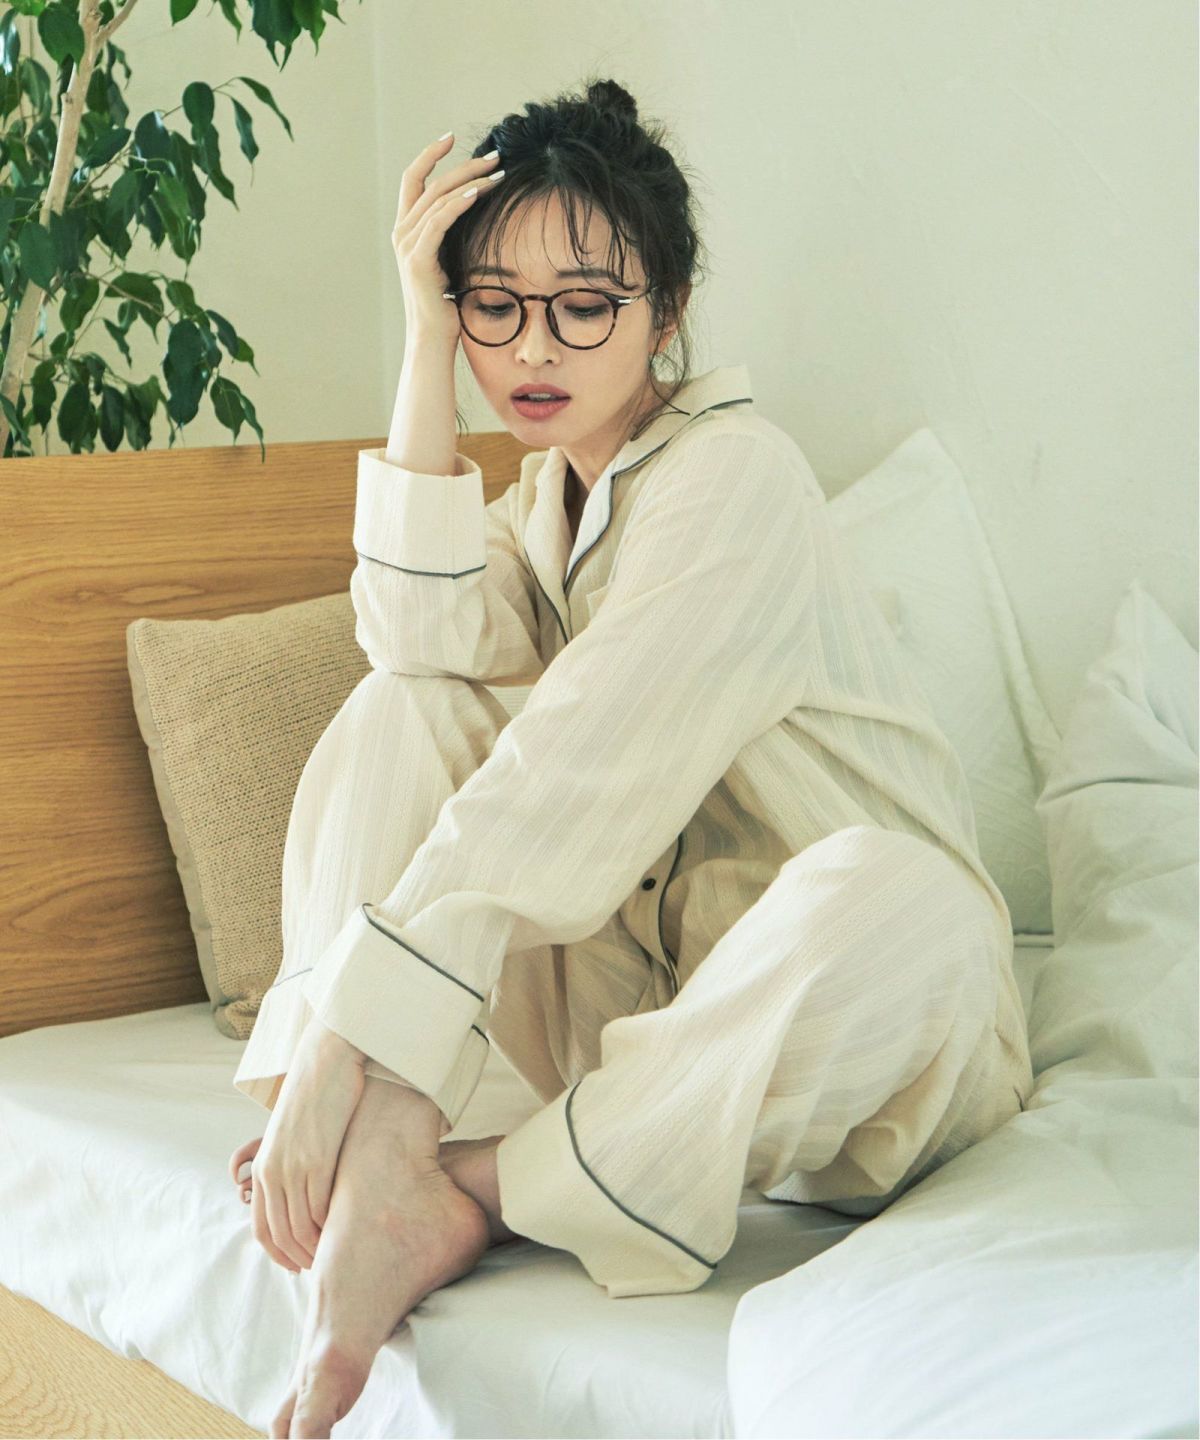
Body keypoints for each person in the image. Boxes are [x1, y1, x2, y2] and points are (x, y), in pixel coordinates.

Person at [227, 77, 1034, 1439]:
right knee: (401, 706)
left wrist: (354, 1039)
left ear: (667, 311)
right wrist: (422, 334)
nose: (534, 347)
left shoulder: (738, 476)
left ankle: (469, 1187)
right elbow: (411, 635)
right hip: (652, 1015)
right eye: (495, 304)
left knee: (901, 895)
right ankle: (385, 1132)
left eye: (586, 305)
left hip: (866, 1033)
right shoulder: (542, 506)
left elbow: (571, 770)